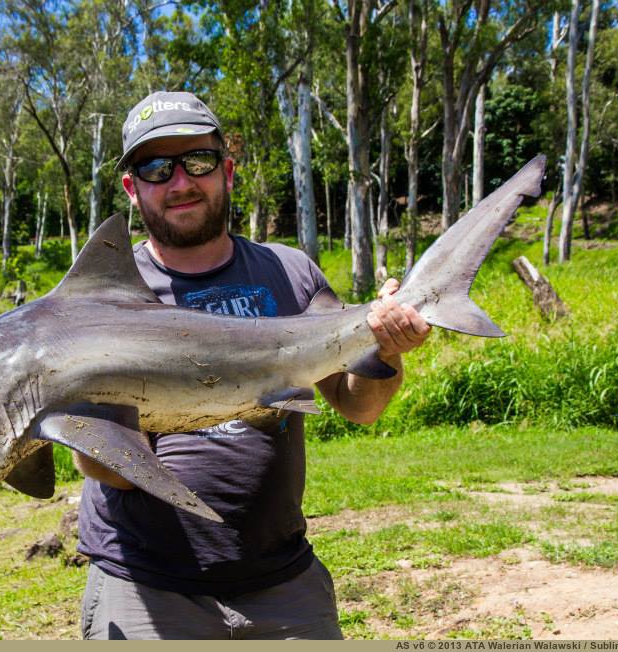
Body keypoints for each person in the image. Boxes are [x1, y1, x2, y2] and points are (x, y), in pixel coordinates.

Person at [73, 91, 431, 640]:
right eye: (156, 167)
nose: (180, 182)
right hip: (147, 587)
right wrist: (89, 434)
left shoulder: (290, 273)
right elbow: (109, 469)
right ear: (132, 187)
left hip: (283, 580)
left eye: (198, 161)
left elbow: (358, 403)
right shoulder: (102, 300)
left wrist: (385, 348)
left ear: (228, 171)